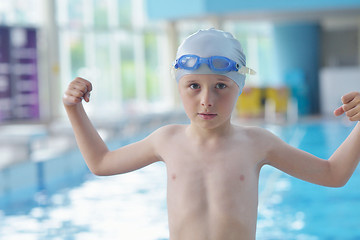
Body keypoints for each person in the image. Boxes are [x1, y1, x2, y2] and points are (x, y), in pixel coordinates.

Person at [63, 28, 360, 240]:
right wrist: (74, 109)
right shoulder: (166, 140)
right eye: (194, 86)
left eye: (221, 85)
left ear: (239, 88)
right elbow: (101, 163)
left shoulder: (259, 143)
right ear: (178, 87)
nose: (206, 99)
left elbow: (333, 174)